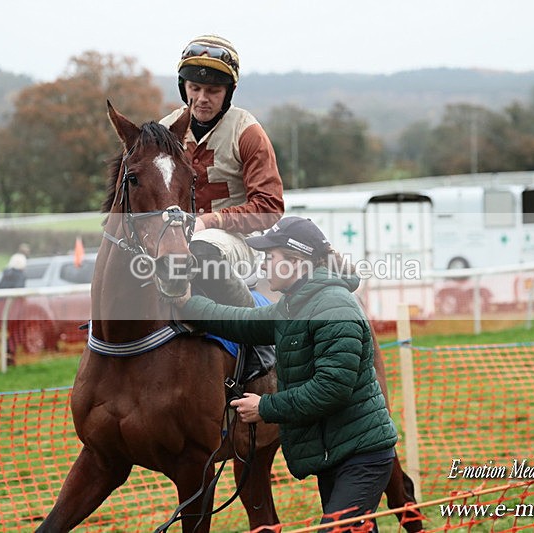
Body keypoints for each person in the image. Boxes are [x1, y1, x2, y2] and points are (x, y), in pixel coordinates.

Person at [176, 216, 398, 531]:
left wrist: (264, 407)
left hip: (362, 456)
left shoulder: (334, 308)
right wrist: (189, 305)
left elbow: (331, 388)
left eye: (271, 257)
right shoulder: (296, 305)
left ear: (295, 262)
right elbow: (242, 321)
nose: (265, 266)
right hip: (338, 451)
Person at [160, 34, 284, 307]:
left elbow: (270, 207)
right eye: (194, 88)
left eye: (213, 91)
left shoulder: (247, 132)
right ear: (184, 87)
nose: (202, 98)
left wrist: (212, 220)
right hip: (173, 237)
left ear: (229, 91)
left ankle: (255, 335)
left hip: (235, 242)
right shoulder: (165, 131)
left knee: (201, 250)